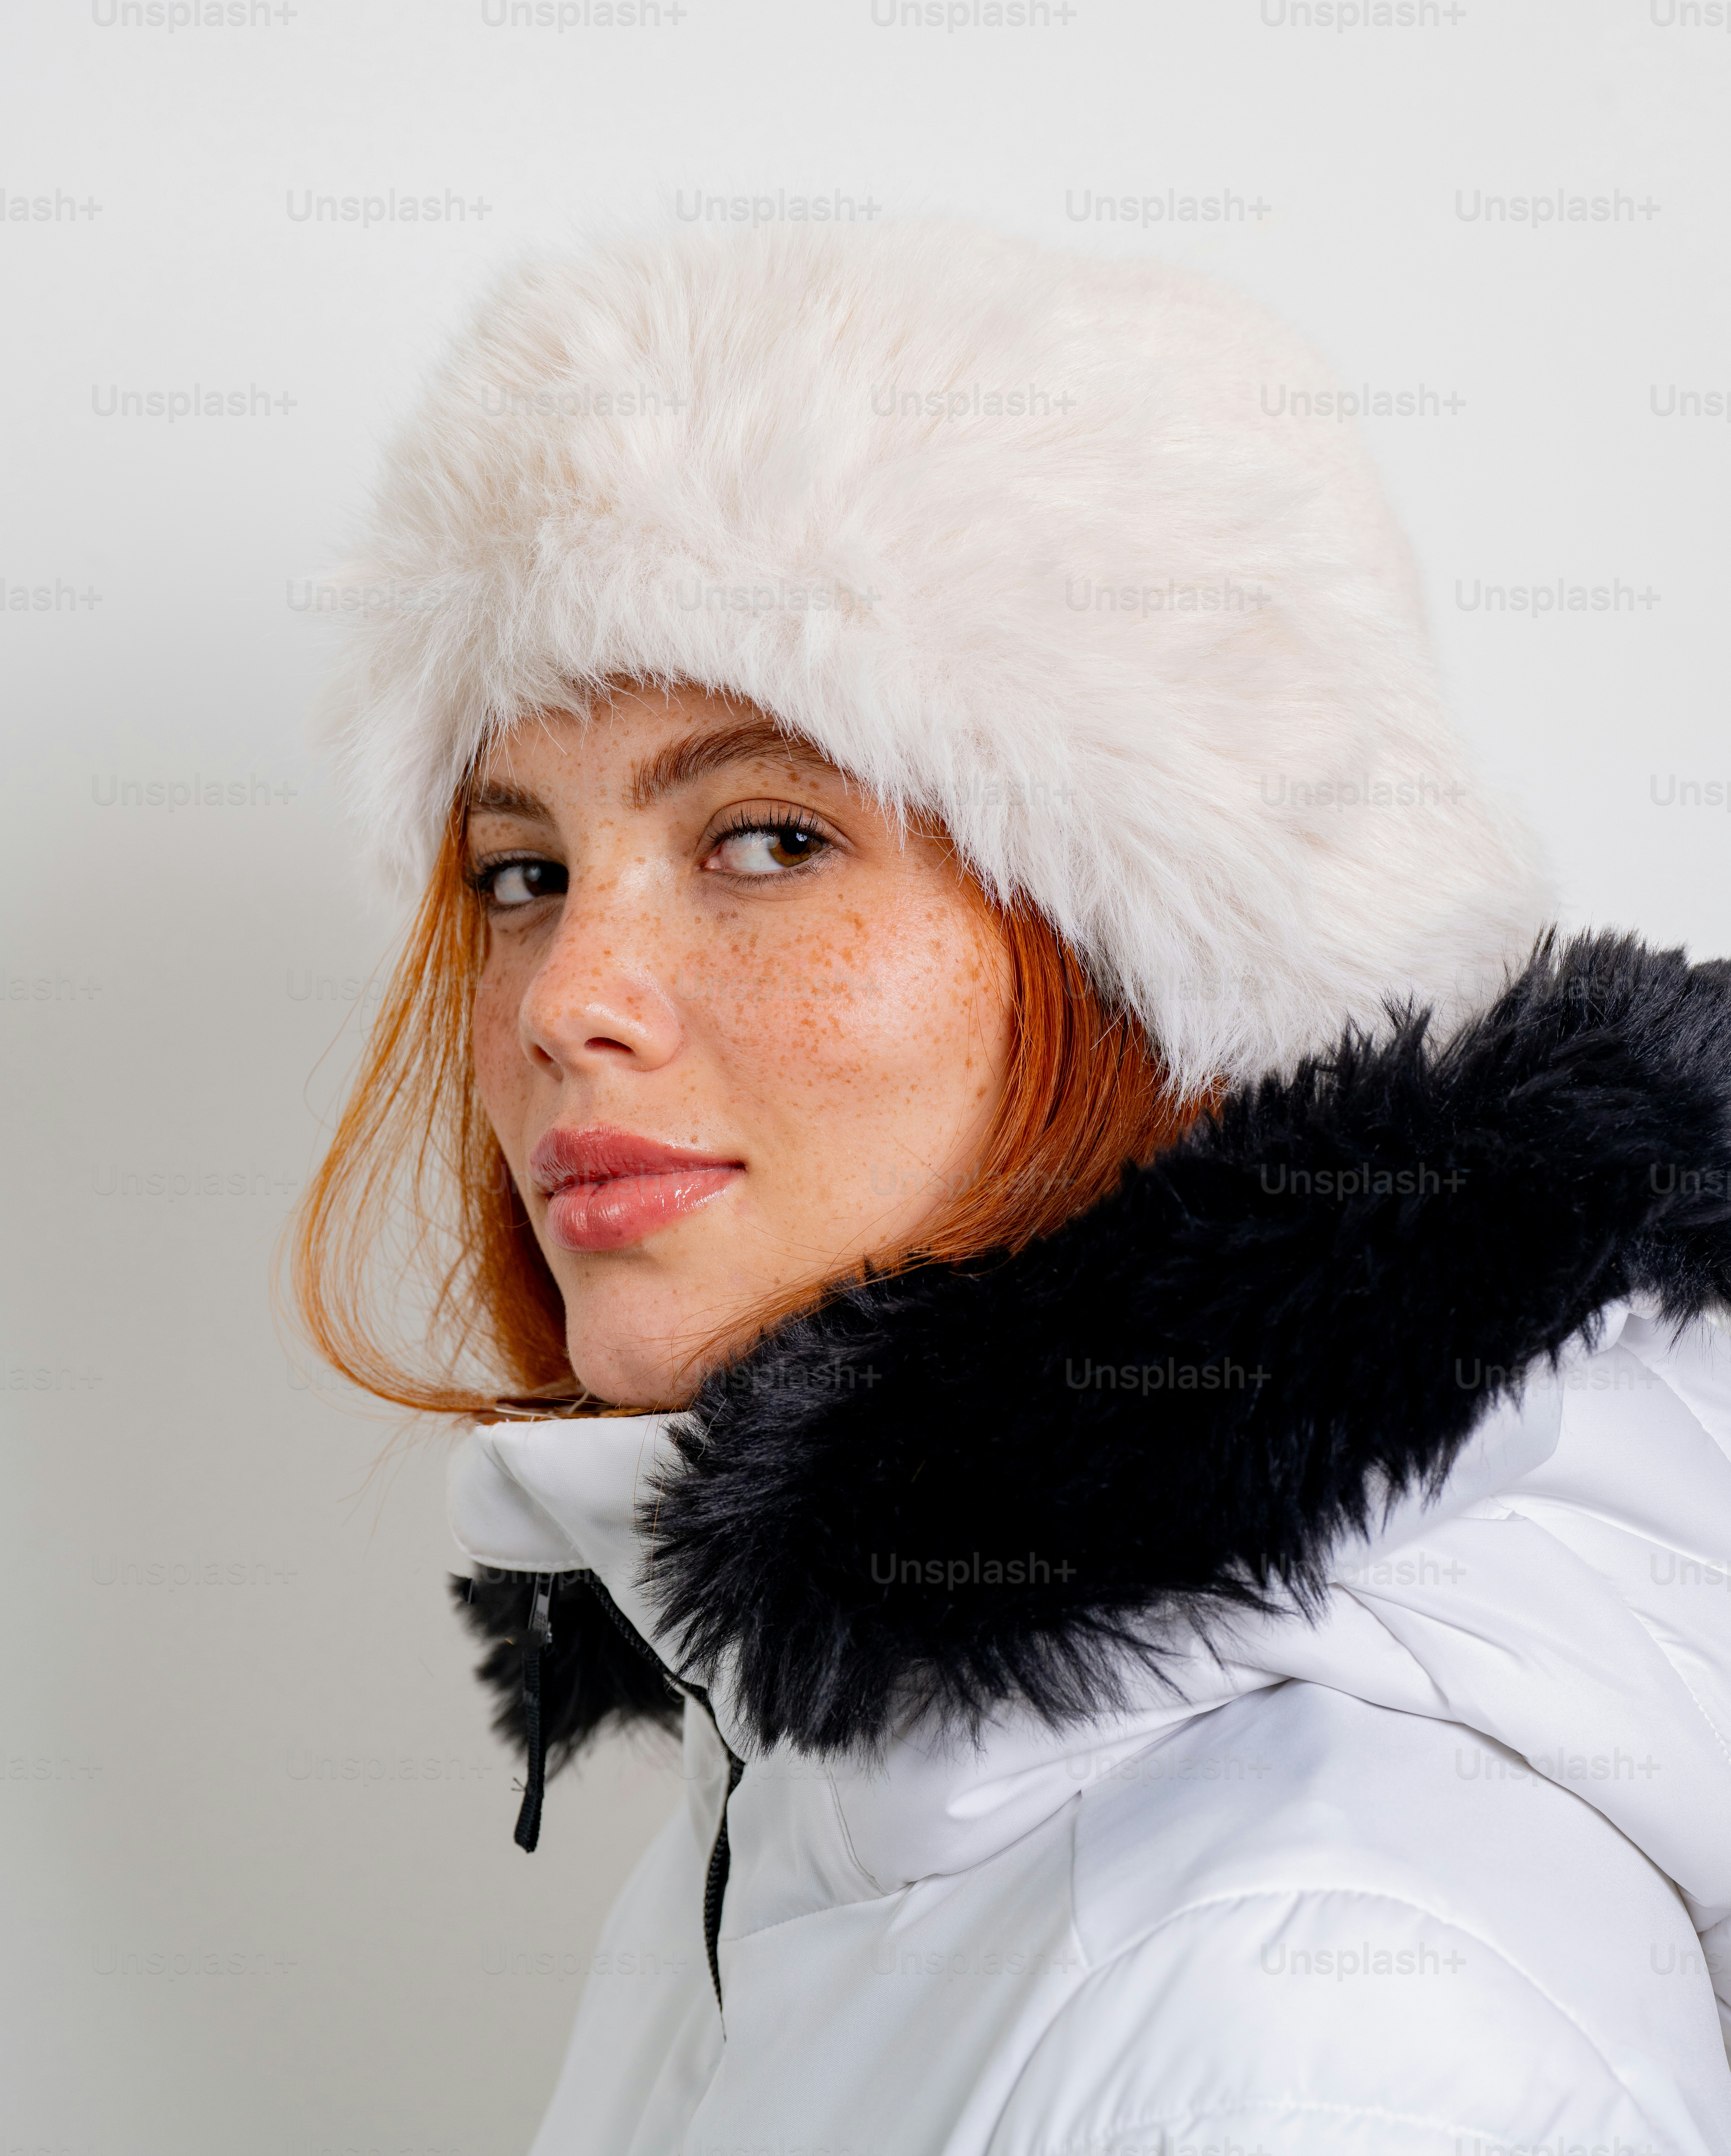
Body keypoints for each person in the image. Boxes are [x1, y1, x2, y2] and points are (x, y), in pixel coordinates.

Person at [294, 221, 1731, 2156]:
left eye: (770, 836)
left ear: (1158, 960)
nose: (566, 1001)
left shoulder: (1315, 2015)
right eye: (522, 872)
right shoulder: (806, 1824)